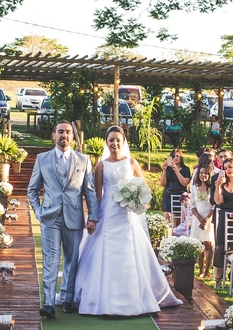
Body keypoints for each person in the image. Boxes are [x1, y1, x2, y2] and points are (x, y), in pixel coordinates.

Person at [73, 127, 180, 316]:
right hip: (107, 212)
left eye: (118, 140)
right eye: (111, 140)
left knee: (130, 251)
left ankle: (135, 298)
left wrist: (136, 199)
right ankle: (100, 297)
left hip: (126, 214)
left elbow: (143, 186)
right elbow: (97, 195)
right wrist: (93, 218)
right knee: (101, 251)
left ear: (123, 142)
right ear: (106, 142)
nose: (114, 143)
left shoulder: (131, 162)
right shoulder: (101, 165)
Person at [27, 121, 99, 318]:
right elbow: (32, 190)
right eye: (60, 132)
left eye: (68, 132)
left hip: (74, 217)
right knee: (50, 261)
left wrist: (93, 216)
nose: (64, 135)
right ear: (53, 135)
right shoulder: (42, 159)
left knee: (71, 260)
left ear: (73, 137)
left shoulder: (83, 160)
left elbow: (90, 191)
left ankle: (67, 299)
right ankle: (49, 303)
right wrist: (39, 212)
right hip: (49, 218)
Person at [187, 160, 216, 276]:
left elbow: (214, 205)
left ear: (209, 175)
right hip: (197, 219)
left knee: (208, 244)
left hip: (210, 218)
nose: (203, 175)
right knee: (199, 244)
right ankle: (200, 270)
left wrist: (207, 219)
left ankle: (208, 271)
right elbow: (192, 205)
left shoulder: (212, 188)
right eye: (201, 173)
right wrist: (199, 218)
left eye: (205, 173)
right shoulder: (194, 188)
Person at [160, 149, 191, 224]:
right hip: (168, 194)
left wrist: (176, 171)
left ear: (181, 157)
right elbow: (163, 183)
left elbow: (184, 183)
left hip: (180, 195)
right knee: (166, 216)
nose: (175, 158)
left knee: (179, 219)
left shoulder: (186, 169)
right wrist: (164, 170)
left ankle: (178, 233)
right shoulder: (168, 169)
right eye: (173, 156)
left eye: (177, 156)